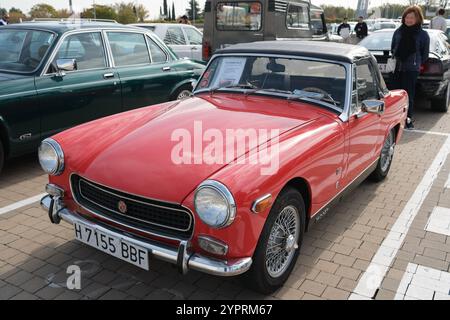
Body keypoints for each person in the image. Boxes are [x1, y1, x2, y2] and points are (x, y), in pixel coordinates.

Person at [391, 6, 430, 130]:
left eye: (412, 17)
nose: (409, 20)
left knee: (409, 96)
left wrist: (415, 63)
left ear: (418, 18)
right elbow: (393, 48)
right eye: (407, 17)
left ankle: (408, 120)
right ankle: (395, 120)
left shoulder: (423, 35)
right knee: (395, 95)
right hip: (397, 67)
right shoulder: (398, 31)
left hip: (411, 69)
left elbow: (424, 55)